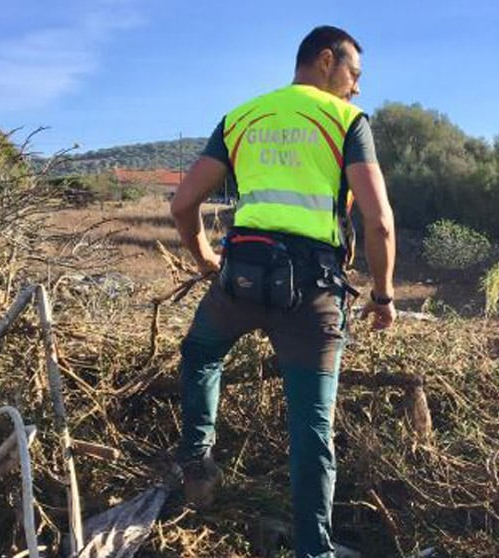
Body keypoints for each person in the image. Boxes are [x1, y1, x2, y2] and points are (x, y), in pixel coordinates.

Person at [169, 25, 396, 558]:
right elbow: (379, 221)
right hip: (312, 294)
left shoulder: (242, 117)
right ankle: (313, 550)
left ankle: (197, 457)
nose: (357, 89)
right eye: (354, 75)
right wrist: (383, 297)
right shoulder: (345, 121)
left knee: (200, 353)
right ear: (325, 60)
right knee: (312, 430)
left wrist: (205, 258)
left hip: (241, 278)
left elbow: (182, 205)